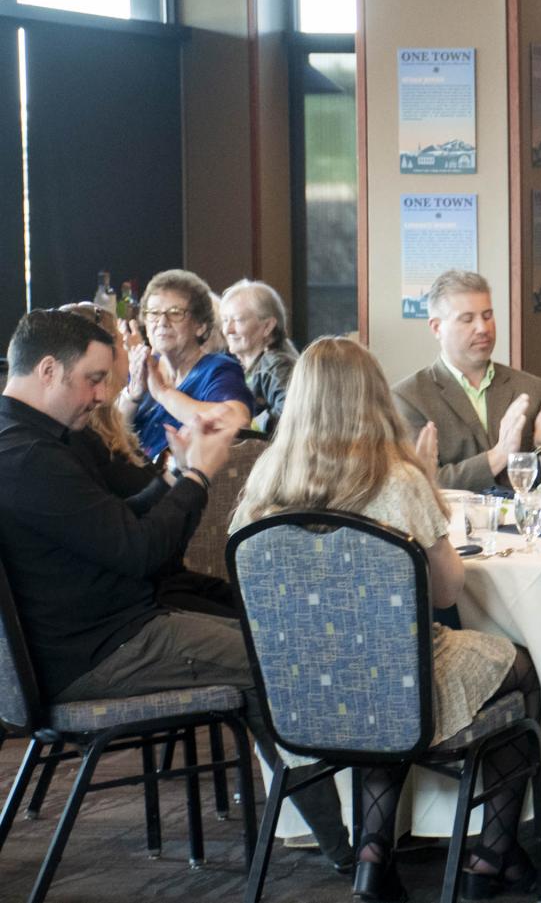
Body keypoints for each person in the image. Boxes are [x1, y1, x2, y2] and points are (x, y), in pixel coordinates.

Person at [0, 310, 355, 876]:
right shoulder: (26, 457)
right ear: (48, 370)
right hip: (97, 653)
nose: (101, 395)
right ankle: (355, 850)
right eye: (93, 378)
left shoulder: (36, 441)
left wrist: (173, 476)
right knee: (279, 656)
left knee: (268, 640)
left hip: (106, 630)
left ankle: (347, 841)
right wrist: (197, 478)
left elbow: (118, 527)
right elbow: (141, 552)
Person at [231, 337, 541, 901]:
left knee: (380, 675)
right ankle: (492, 855)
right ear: (374, 398)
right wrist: (426, 492)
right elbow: (448, 589)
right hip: (392, 684)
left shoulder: (263, 486)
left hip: (299, 693)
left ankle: (373, 858)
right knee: (517, 670)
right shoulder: (397, 481)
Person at [60, 302, 236, 618]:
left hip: (164, 576)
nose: (133, 346)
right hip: (146, 593)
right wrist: (191, 474)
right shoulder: (79, 433)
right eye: (124, 338)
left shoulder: (104, 422)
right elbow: (133, 531)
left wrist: (176, 471)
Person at [392, 270, 541, 492]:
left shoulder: (532, 389)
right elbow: (421, 484)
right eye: (467, 319)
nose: (483, 328)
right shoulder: (409, 398)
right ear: (436, 327)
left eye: (487, 316)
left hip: (524, 524)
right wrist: (499, 455)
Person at [116, 268, 252, 460]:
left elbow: (236, 422)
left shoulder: (218, 369)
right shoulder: (146, 366)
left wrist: (163, 393)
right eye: (154, 313)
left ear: (200, 326)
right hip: (133, 476)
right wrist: (132, 396)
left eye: (175, 313)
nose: (162, 322)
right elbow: (110, 433)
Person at [219, 278, 299, 434]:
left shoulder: (276, 365)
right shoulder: (234, 363)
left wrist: (250, 425)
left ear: (267, 326)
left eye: (238, 320)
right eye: (225, 320)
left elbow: (291, 419)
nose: (228, 330)